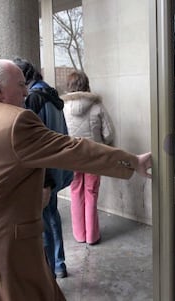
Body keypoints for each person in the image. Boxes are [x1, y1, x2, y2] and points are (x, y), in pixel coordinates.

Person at [0, 59, 152, 301]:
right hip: (4, 247)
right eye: (21, 85)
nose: (27, 91)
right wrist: (132, 161)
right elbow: (75, 150)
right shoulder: (15, 121)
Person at [13, 57, 72, 278]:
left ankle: (50, 267)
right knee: (52, 216)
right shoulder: (51, 95)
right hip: (56, 167)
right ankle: (59, 263)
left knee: (43, 220)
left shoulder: (34, 98)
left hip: (42, 172)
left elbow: (32, 141)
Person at [61, 70, 115, 245]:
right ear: (86, 84)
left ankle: (79, 235)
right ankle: (92, 236)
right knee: (91, 193)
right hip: (93, 156)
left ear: (69, 86)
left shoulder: (62, 108)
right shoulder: (97, 106)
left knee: (76, 193)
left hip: (71, 157)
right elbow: (108, 133)